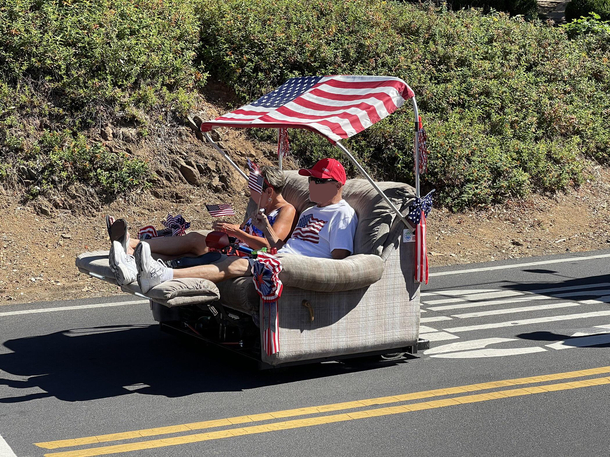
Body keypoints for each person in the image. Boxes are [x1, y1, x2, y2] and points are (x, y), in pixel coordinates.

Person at [131, 158, 358, 293]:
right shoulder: (310, 210)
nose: (311, 185)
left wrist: (238, 233)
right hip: (280, 255)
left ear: (337, 185)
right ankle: (138, 256)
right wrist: (241, 230)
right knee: (204, 244)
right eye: (310, 180)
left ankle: (163, 274)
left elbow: (338, 260)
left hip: (297, 265)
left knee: (233, 263)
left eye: (318, 181)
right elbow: (278, 245)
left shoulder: (343, 214)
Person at [108, 165, 297, 286]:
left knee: (193, 243)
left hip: (246, 256)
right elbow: (243, 232)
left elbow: (269, 245)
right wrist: (228, 230)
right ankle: (132, 258)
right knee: (193, 244)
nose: (251, 195)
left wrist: (237, 232)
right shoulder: (260, 208)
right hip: (233, 247)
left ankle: (131, 246)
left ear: (269, 191)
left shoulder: (286, 210)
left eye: (255, 190)